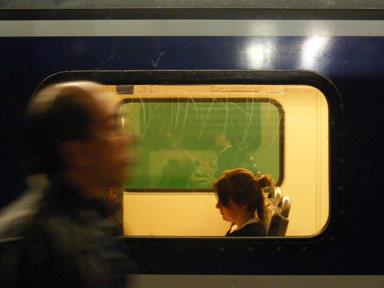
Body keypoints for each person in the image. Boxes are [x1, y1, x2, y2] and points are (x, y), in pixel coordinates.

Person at [0, 81, 136, 287]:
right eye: (112, 127)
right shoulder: (30, 240)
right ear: (75, 153)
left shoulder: (95, 219)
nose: (128, 138)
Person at [213, 168, 269, 236]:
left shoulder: (247, 236)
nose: (217, 206)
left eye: (223, 200)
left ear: (243, 203)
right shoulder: (242, 229)